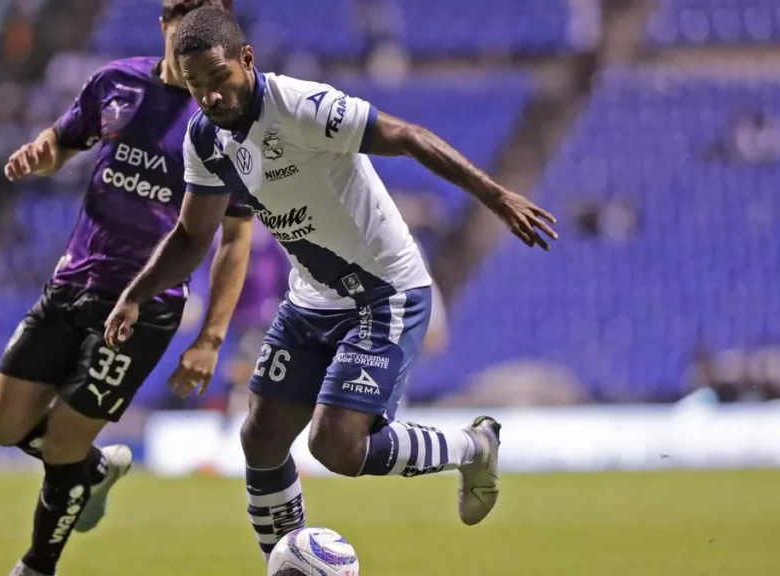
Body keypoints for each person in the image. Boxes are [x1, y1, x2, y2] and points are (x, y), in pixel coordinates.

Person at [103, 6, 558, 564]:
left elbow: (408, 135)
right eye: (196, 86)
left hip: (384, 291)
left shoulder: (302, 106)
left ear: (247, 60)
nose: (210, 97)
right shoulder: (204, 138)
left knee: (335, 446)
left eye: (219, 79)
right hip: (312, 298)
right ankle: (285, 565)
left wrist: (496, 197)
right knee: (260, 439)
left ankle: (473, 446)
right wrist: (135, 294)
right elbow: (192, 237)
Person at [0, 2, 252, 575]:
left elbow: (235, 239)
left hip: (144, 306)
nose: (191, 25)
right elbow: (62, 140)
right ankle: (89, 472)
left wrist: (210, 337)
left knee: (60, 442)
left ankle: (37, 565)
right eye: (183, 13)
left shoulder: (224, 121)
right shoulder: (116, 82)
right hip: (71, 282)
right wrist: (43, 154)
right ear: (165, 24)